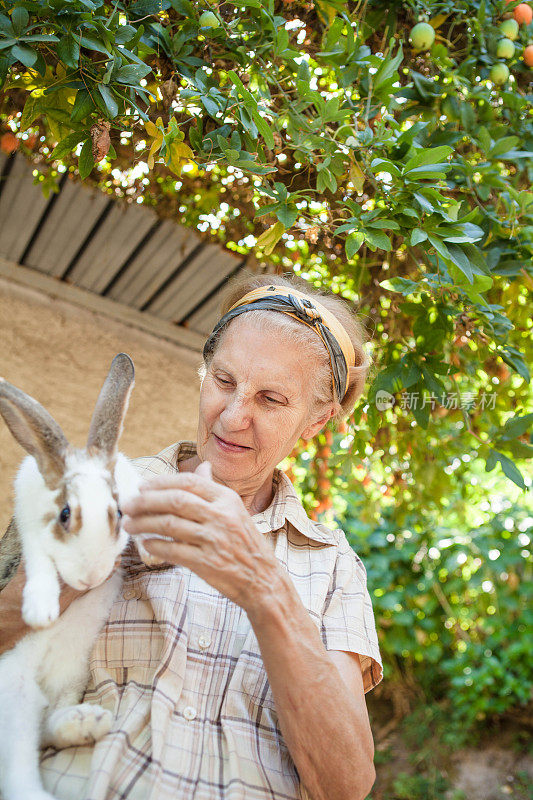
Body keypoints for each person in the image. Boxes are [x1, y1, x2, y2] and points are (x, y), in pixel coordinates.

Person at [0, 272, 383, 800]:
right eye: (223, 381)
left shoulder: (333, 565)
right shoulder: (93, 487)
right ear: (203, 373)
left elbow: (347, 784)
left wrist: (264, 586)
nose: (233, 416)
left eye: (270, 399)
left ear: (319, 418)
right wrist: (84, 555)